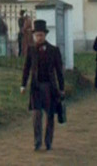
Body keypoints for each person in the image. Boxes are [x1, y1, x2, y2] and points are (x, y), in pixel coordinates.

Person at [20, 19, 65, 151]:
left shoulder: (54, 50)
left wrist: (61, 88)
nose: (39, 37)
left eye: (41, 35)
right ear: (34, 36)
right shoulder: (31, 50)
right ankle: (37, 142)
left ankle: (48, 142)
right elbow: (26, 68)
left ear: (45, 35)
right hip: (36, 87)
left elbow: (59, 71)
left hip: (50, 87)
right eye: (37, 35)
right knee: (36, 115)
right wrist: (23, 85)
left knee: (50, 115)